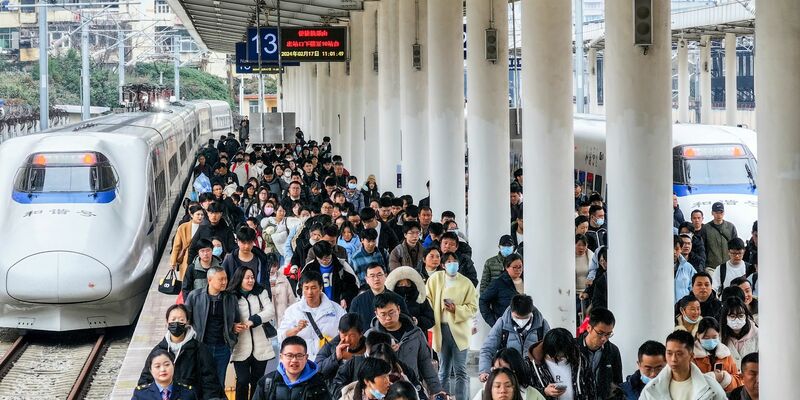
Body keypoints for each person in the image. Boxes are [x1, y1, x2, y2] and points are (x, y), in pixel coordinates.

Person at [137, 304, 224, 400]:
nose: (177, 323)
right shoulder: (158, 351)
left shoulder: (200, 349)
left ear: (187, 322)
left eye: (181, 320)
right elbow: (145, 380)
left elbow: (210, 381)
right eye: (173, 319)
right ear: (167, 322)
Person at [365, 293, 444, 395]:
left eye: (391, 312)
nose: (388, 318)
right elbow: (365, 369)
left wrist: (437, 390)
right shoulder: (370, 337)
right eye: (383, 314)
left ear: (398, 309)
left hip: (411, 388)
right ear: (376, 313)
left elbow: (425, 364)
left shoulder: (415, 333)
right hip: (383, 392)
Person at [426, 258, 478, 400]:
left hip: (460, 330)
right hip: (441, 329)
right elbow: (427, 299)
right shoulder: (435, 279)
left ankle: (462, 398)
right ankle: (443, 397)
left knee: (461, 370)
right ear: (443, 265)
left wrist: (456, 309)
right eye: (448, 262)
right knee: (443, 371)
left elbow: (473, 307)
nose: (452, 264)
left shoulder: (466, 283)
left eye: (455, 261)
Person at [184, 266, 241, 387]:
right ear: (209, 280)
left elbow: (236, 320)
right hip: (201, 347)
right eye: (221, 279)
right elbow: (186, 321)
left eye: (225, 278)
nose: (224, 282)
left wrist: (233, 332)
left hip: (223, 348)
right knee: (199, 382)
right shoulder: (195, 296)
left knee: (219, 383)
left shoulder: (231, 298)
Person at [229, 266, 277, 400]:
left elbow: (270, 311)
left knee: (258, 381)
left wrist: (253, 320)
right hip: (240, 345)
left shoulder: (261, 292)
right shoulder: (231, 295)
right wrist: (232, 326)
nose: (251, 280)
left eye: (252, 277)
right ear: (239, 279)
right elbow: (226, 317)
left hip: (261, 344)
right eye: (247, 278)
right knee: (243, 380)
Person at [479, 294, 550, 382]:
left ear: (531, 312)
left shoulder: (542, 325)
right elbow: (487, 349)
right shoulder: (502, 324)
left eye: (525, 318)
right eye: (517, 317)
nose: (521, 321)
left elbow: (549, 350)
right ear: (512, 310)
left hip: (535, 376)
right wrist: (484, 371)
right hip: (508, 374)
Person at [278, 271, 346, 360]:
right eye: (306, 288)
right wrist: (296, 329)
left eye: (313, 288)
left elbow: (345, 333)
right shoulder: (292, 311)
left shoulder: (336, 309)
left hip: (328, 360)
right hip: (302, 362)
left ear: (321, 287)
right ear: (302, 288)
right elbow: (281, 337)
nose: (310, 292)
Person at [640, 330, 727, 399]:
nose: (673, 359)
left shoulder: (710, 388)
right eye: (669, 353)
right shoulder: (651, 389)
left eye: (679, 354)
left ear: (691, 356)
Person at [251, 336, 332, 400]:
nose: (294, 360)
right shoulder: (266, 383)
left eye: (299, 355)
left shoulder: (318, 384)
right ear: (281, 357)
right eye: (289, 355)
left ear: (306, 357)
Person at [528, 328, 595, 399]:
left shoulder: (580, 359)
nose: (561, 358)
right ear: (547, 350)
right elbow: (523, 392)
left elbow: (591, 388)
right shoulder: (530, 365)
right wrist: (544, 391)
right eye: (556, 356)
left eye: (564, 355)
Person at [349, 263, 409, 332]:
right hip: (367, 340)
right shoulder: (357, 301)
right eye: (372, 276)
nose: (376, 279)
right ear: (366, 279)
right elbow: (351, 325)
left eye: (379, 275)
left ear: (385, 276)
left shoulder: (397, 299)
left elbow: (406, 321)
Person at [577, 308, 622, 399]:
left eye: (608, 334)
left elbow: (618, 382)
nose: (604, 338)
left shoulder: (613, 351)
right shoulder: (574, 348)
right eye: (600, 333)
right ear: (589, 328)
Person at [299, 241, 360, 309]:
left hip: (339, 306)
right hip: (316, 307)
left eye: (327, 257)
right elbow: (300, 288)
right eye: (321, 259)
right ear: (316, 256)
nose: (325, 261)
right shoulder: (309, 267)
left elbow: (354, 285)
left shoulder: (342, 265)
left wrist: (346, 298)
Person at [692, 317, 743, 393]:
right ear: (698, 335)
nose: (711, 340)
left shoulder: (725, 353)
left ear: (718, 335)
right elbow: (689, 383)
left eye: (714, 337)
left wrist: (725, 378)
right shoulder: (692, 355)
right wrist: (713, 377)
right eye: (706, 337)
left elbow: (738, 380)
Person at [473, 348, 545, 400]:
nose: (500, 374)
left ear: (516, 370)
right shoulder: (483, 394)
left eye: (505, 370)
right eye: (495, 370)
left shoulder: (533, 395)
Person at [222, 226, 277, 293]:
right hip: (236, 298)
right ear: (237, 241)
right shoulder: (230, 260)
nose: (247, 246)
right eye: (243, 242)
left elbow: (266, 282)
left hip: (258, 297)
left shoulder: (261, 258)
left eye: (249, 242)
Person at [314, 313, 367, 380]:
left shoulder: (371, 346)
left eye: (352, 335)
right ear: (339, 332)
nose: (347, 339)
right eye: (344, 335)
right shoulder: (330, 347)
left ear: (361, 334)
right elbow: (316, 372)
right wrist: (335, 357)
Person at [385, 266, 436, 332]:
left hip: (418, 336)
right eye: (400, 284)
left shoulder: (420, 299)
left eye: (407, 284)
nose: (404, 286)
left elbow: (431, 320)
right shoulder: (389, 301)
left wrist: (417, 321)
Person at [133, 349, 197, 400]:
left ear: (173, 366)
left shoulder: (188, 393)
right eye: (157, 366)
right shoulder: (141, 394)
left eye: (167, 365)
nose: (163, 369)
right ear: (151, 370)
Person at [480, 254, 524, 328]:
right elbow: (483, 300)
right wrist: (495, 322)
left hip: (525, 326)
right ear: (507, 267)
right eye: (515, 267)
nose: (518, 270)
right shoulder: (498, 283)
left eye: (520, 267)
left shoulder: (527, 281)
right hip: (505, 327)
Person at [719, 297, 758, 369]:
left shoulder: (757, 335)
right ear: (725, 318)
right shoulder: (719, 338)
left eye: (741, 316)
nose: (737, 320)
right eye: (732, 316)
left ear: (746, 316)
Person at [703, 202, 739, 273]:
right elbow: (703, 248)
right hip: (711, 267)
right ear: (712, 213)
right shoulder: (706, 228)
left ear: (724, 212)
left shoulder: (730, 227)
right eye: (716, 212)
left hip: (729, 266)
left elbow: (736, 246)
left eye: (721, 212)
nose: (719, 215)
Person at [171, 204, 206, 275]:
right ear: (192, 215)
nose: (200, 217)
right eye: (198, 214)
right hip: (186, 259)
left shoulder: (205, 227)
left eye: (202, 215)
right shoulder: (183, 227)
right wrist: (173, 262)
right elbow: (176, 246)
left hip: (202, 258)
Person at [674, 235, 696, 303]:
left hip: (683, 308)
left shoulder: (688, 267)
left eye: (677, 249)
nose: (674, 252)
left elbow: (694, 289)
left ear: (681, 249)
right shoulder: (658, 268)